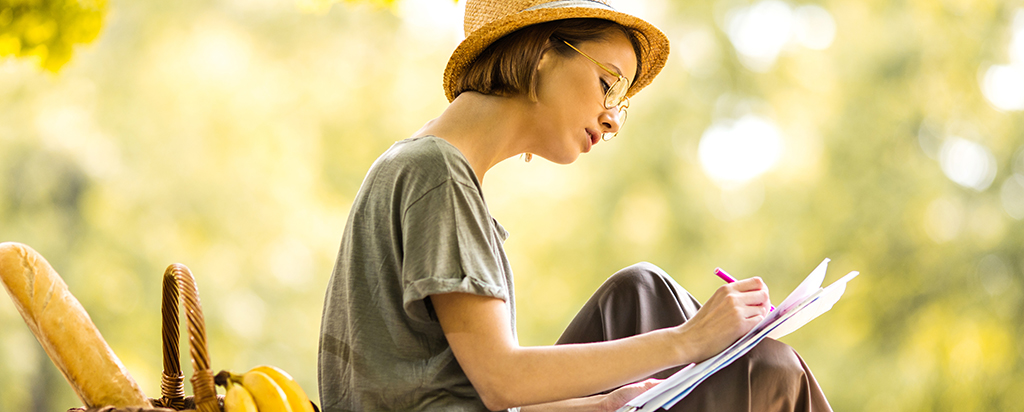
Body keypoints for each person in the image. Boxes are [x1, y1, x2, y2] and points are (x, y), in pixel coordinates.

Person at [318, 0, 833, 411]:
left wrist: (606, 404)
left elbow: (455, 394)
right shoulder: (436, 174)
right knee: (772, 374)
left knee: (638, 291)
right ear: (543, 52)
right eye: (608, 84)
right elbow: (501, 381)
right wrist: (688, 340)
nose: (611, 120)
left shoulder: (427, 169)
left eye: (620, 105)